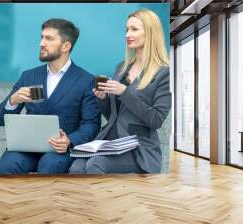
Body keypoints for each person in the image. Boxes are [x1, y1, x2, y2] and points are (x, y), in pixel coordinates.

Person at [69, 9, 171, 174]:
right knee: (77, 166)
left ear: (151, 33)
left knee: (96, 164)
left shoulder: (164, 73)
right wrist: (102, 99)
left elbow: (156, 120)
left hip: (138, 147)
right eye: (127, 29)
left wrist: (124, 92)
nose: (127, 34)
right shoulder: (121, 68)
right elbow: (114, 116)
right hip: (112, 141)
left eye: (134, 29)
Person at [0, 18, 101, 174]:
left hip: (61, 150)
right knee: (8, 165)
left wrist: (69, 141)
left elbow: (91, 124)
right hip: (26, 148)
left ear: (66, 46)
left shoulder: (86, 81)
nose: (41, 43)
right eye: (42, 37)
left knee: (51, 166)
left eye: (49, 38)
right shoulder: (28, 77)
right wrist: (13, 101)